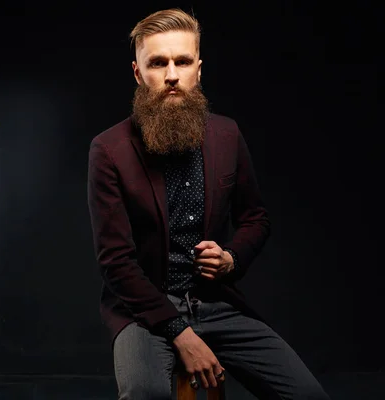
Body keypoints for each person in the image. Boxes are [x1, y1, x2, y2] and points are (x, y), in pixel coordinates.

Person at [87, 8, 330, 400]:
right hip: (142, 309)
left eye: (182, 61)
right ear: (137, 73)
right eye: (157, 63)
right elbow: (116, 261)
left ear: (198, 69)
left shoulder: (227, 134)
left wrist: (231, 257)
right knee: (144, 395)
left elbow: (255, 218)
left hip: (215, 301)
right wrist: (181, 335)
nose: (171, 74)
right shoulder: (108, 149)